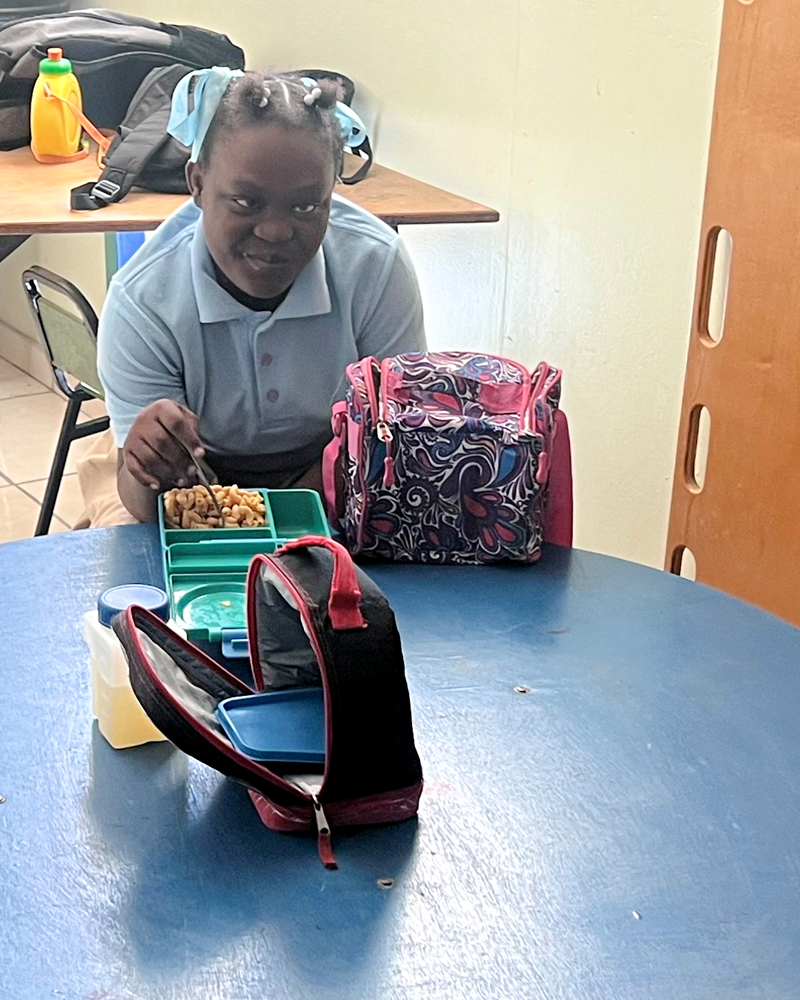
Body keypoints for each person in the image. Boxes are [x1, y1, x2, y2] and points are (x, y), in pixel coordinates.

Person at [96, 69, 426, 523]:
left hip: (336, 471)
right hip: (196, 481)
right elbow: (146, 502)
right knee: (135, 572)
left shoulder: (376, 267)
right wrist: (147, 462)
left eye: (307, 206)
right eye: (246, 203)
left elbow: (393, 444)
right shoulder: (144, 298)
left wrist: (284, 514)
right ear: (197, 184)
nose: (275, 231)